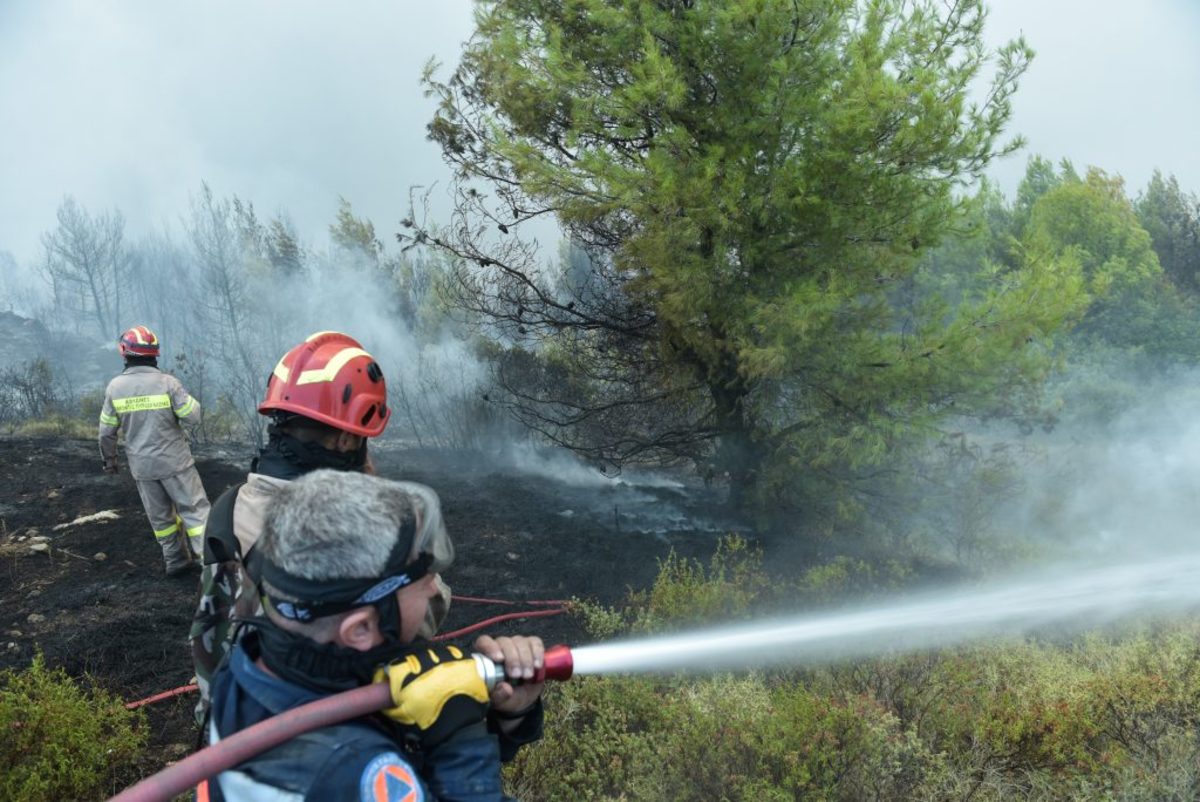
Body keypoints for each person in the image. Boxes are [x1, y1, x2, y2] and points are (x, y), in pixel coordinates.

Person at [203, 469, 545, 801]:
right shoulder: (352, 770)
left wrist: (509, 720)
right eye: (421, 576)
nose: (432, 588)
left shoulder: (247, 661)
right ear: (360, 629)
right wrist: (458, 732)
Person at [190, 330, 412, 726]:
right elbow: (422, 613)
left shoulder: (227, 508)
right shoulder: (359, 526)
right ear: (347, 440)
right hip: (332, 734)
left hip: (235, 715)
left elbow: (214, 625)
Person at [99, 325, 210, 577]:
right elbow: (193, 416)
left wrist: (110, 461)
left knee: (161, 520)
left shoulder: (114, 388)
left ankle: (176, 561)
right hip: (176, 463)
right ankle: (211, 566)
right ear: (155, 354)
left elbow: (106, 432)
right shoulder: (168, 383)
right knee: (195, 512)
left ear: (125, 353)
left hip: (143, 468)